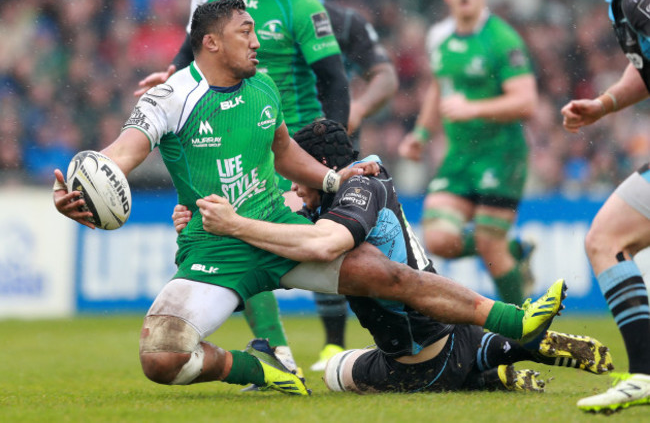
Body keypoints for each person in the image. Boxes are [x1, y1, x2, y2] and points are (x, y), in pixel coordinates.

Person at [54, 0, 566, 397]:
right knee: (161, 360)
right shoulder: (169, 97)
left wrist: (332, 181)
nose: (257, 41)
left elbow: (284, 153)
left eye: (255, 30)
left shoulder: (264, 86)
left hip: (279, 227)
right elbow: (122, 153)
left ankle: (513, 319)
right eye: (245, 33)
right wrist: (85, 190)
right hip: (214, 248)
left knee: (391, 276)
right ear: (210, 43)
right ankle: (262, 367)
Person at [187, 119, 614, 394]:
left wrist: (235, 225)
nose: (295, 185)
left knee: (336, 372)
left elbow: (324, 243)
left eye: (298, 174)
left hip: (417, 358)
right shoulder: (365, 179)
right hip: (451, 329)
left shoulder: (359, 190)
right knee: (443, 340)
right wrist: (203, 216)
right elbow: (283, 206)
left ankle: (493, 364)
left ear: (317, 165)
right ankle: (505, 353)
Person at [134, 0, 352, 375]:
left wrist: (335, 152)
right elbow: (196, 51)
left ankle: (367, 340)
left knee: (350, 254)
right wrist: (171, 81)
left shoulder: (299, 4)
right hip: (235, 131)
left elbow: (334, 79)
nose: (254, 43)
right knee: (237, 223)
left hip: (296, 139)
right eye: (246, 35)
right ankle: (280, 358)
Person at [398, 0, 538, 306]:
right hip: (460, 156)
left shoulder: (503, 39)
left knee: (490, 244)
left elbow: (527, 101)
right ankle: (515, 251)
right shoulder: (438, 36)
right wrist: (421, 133)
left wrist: (473, 108)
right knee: (438, 239)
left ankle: (518, 334)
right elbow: (439, 86)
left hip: (501, 155)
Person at [560, 0, 650, 413]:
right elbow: (644, 72)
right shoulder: (622, 0)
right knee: (606, 239)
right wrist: (604, 104)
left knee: (606, 239)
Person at [308, 0, 399, 371]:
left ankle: (376, 336)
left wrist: (357, 108)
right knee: (307, 232)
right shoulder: (255, 21)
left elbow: (385, 75)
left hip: (333, 147)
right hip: (277, 141)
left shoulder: (343, 22)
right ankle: (314, 343)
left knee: (332, 234)